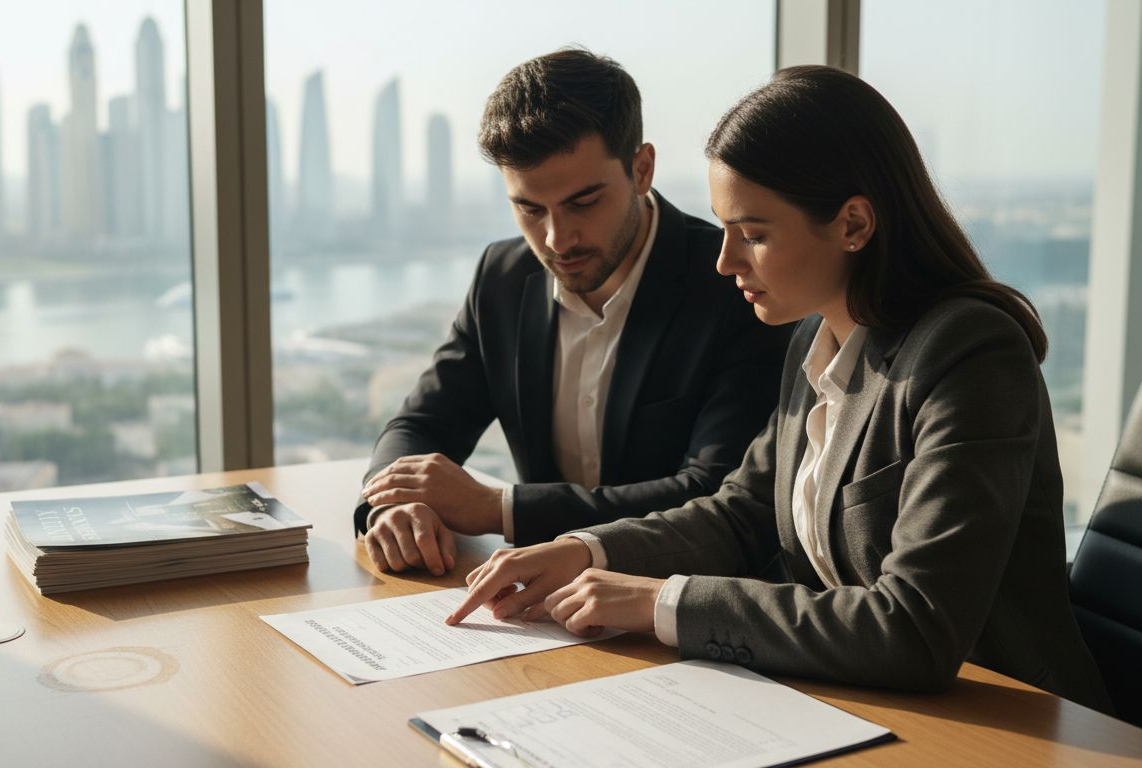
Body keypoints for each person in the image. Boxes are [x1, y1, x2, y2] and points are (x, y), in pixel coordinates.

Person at [446, 65, 1113, 712]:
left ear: (853, 224)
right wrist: (581, 552)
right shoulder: (816, 337)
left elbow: (915, 627)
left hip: (1006, 721)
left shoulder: (969, 353)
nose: (724, 260)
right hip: (855, 701)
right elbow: (742, 512)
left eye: (754, 234)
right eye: (725, 228)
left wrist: (659, 602)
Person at [355, 49, 793, 576]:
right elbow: (422, 423)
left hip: (684, 603)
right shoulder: (503, 276)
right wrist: (397, 504)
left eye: (584, 202)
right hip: (540, 609)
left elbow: (716, 492)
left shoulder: (734, 284)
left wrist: (499, 509)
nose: (556, 239)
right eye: (530, 209)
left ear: (641, 169)